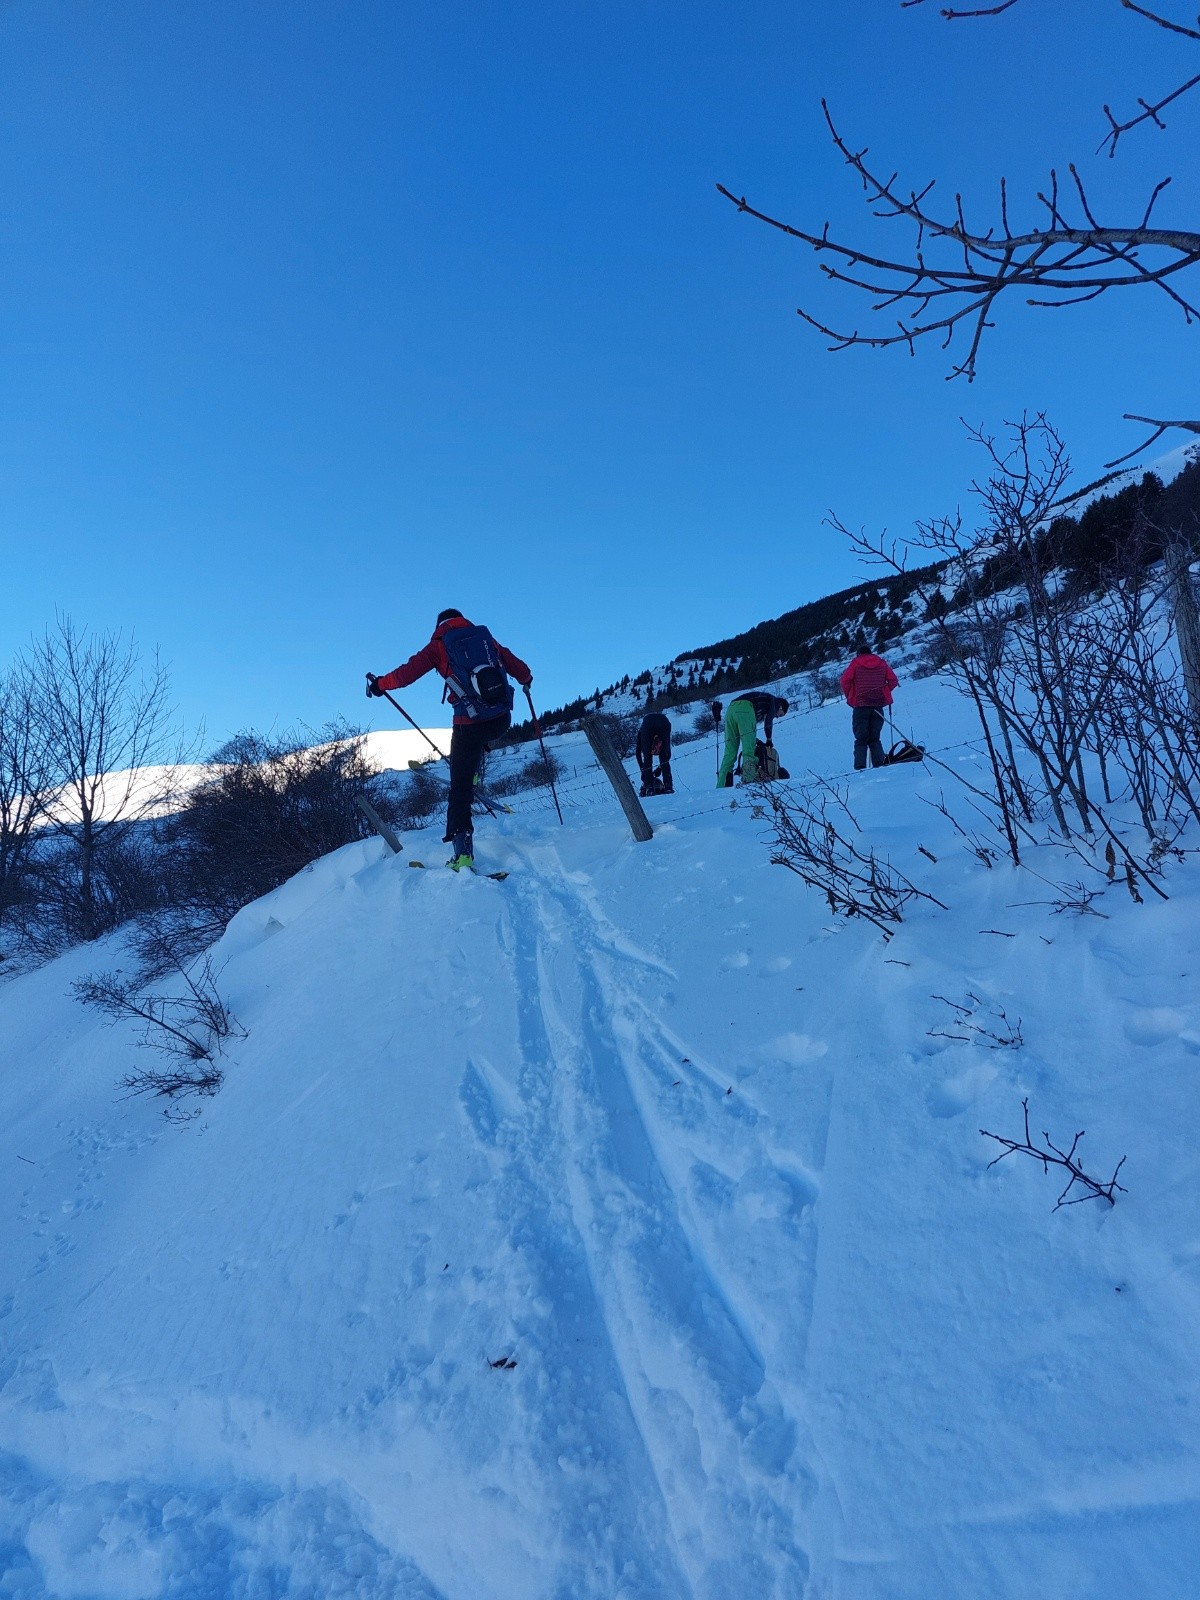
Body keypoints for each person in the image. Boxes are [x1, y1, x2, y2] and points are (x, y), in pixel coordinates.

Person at [367, 609, 532, 868]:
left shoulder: (438, 646)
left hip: (469, 725)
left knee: (460, 789)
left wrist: (379, 685)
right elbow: (518, 666)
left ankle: (462, 853)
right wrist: (526, 678)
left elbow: (404, 675)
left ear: (439, 625)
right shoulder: (485, 638)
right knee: (479, 740)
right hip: (501, 719)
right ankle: (473, 771)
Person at [840, 636, 899, 770]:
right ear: (870, 652)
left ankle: (860, 768)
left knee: (861, 739)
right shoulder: (882, 663)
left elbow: (845, 680)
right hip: (878, 705)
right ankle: (879, 766)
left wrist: (850, 695)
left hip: (860, 705)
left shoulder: (856, 663)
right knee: (875, 738)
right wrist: (883, 691)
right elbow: (893, 681)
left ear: (859, 654)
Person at [716, 692, 788, 786]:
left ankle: (722, 785)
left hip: (731, 709)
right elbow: (768, 722)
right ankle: (749, 781)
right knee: (749, 750)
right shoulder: (776, 702)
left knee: (730, 752)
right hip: (745, 708)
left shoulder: (762, 705)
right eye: (780, 714)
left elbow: (747, 732)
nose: (777, 717)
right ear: (781, 707)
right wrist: (769, 739)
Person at [635, 712, 673, 796]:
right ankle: (668, 787)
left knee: (647, 758)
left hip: (648, 723)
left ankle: (650, 789)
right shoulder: (643, 732)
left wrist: (643, 770)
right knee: (664, 756)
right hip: (664, 722)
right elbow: (668, 753)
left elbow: (638, 753)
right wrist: (660, 768)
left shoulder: (642, 732)